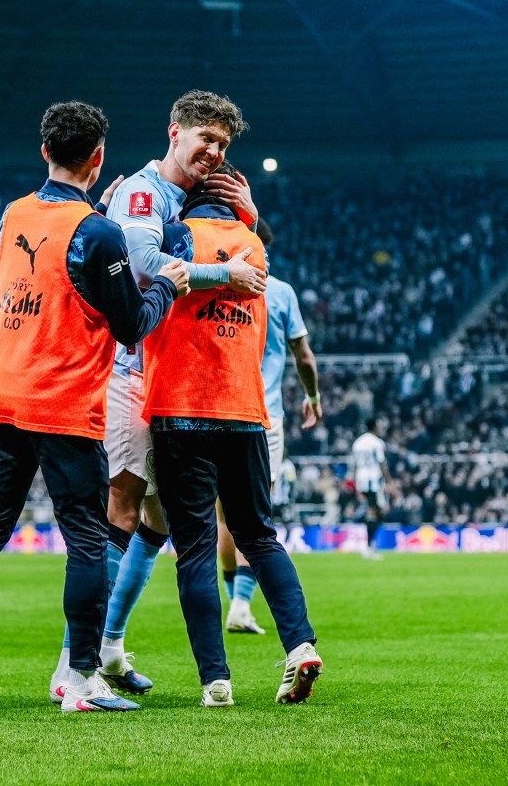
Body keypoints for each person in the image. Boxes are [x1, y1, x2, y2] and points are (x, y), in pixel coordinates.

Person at [0, 101, 184, 716]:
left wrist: (97, 219)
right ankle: (80, 681)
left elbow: (59, 262)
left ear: (44, 151)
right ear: (100, 157)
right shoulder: (98, 232)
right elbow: (132, 324)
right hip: (60, 404)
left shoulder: (12, 215)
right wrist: (169, 284)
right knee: (86, 539)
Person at [55, 88, 262, 701]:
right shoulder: (144, 193)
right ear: (175, 133)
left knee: (158, 517)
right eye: (206, 140)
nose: (214, 153)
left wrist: (246, 221)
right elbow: (144, 266)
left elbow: (230, 253)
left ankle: (111, 650)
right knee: (120, 508)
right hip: (127, 370)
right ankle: (76, 669)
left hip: (167, 375)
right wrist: (225, 273)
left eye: (223, 144)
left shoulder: (185, 199)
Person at [144, 175, 323, 708]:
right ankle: (301, 644)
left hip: (182, 408)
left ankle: (215, 681)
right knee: (260, 536)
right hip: (246, 413)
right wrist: (250, 215)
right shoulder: (256, 249)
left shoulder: (174, 237)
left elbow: (143, 277)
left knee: (196, 546)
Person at [223, 217, 320, 635]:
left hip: (216, 408)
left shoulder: (218, 283)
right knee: (255, 516)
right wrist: (313, 397)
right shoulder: (279, 292)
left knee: (223, 515)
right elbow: (303, 356)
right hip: (263, 415)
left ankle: (235, 602)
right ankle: (242, 605)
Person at [351, 421, 388, 560]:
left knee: (374, 511)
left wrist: (355, 483)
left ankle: (369, 546)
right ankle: (369, 547)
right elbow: (381, 463)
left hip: (361, 479)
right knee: (378, 511)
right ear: (374, 427)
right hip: (373, 480)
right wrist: (389, 482)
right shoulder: (377, 443)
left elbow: (354, 464)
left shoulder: (357, 443)